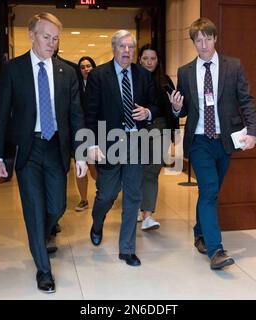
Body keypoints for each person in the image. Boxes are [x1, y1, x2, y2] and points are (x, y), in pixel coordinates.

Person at [0, 12, 87, 293]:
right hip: (28, 149)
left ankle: (45, 230)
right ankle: (44, 270)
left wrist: (80, 153)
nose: (52, 43)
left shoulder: (66, 72)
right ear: (32, 35)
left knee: (57, 207)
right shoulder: (13, 70)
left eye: (56, 39)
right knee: (33, 208)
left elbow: (76, 116)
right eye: (47, 37)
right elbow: (2, 115)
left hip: (55, 147)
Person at [169, 18, 256, 270]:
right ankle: (215, 249)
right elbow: (184, 107)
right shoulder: (185, 71)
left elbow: (246, 100)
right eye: (198, 40)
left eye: (207, 38)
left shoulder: (233, 66)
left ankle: (199, 233)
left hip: (225, 141)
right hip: (199, 140)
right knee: (209, 190)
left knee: (210, 192)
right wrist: (177, 108)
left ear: (215, 38)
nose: (203, 44)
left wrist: (253, 131)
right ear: (193, 43)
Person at [85, 30, 158, 267]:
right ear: (114, 48)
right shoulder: (98, 76)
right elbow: (90, 113)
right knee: (106, 194)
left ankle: (127, 249)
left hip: (136, 141)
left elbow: (157, 105)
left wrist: (147, 112)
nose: (127, 51)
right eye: (122, 47)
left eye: (130, 47)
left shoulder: (143, 76)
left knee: (133, 195)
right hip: (109, 144)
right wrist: (92, 144)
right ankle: (97, 222)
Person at [137, 44, 179, 231]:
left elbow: (173, 109)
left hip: (159, 129)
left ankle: (148, 216)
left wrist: (174, 134)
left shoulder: (164, 81)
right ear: (139, 60)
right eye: (145, 58)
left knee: (152, 171)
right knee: (136, 171)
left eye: (152, 58)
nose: (149, 62)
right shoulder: (132, 79)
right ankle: (139, 207)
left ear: (158, 61)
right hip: (137, 131)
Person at [74, 56, 97, 212]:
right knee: (80, 165)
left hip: (96, 131)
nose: (86, 69)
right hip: (80, 132)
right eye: (82, 67)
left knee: (94, 167)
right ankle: (83, 199)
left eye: (88, 66)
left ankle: (104, 193)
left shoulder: (100, 84)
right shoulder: (76, 86)